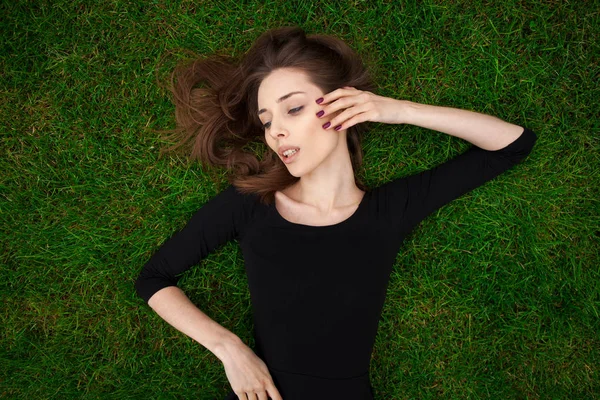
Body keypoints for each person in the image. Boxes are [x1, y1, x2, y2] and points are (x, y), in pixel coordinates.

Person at [135, 26, 537, 400]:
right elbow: (154, 279)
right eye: (267, 120)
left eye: (293, 109)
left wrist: (396, 110)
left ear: (343, 104)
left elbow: (513, 144)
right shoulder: (251, 204)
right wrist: (231, 349)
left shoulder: (388, 212)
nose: (275, 132)